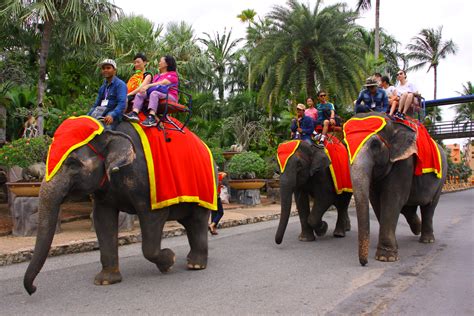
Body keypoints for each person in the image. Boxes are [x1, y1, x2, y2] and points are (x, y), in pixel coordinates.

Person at [123, 55, 179, 127]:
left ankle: (151, 116)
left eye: (160, 62)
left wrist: (148, 86)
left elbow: (163, 83)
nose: (159, 63)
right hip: (157, 94)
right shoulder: (157, 76)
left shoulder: (172, 74)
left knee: (154, 93)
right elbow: (153, 86)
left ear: (167, 64)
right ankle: (134, 113)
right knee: (141, 94)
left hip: (169, 95)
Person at [88, 59, 127, 130]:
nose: (105, 70)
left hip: (113, 115)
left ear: (114, 70)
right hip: (101, 113)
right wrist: (87, 116)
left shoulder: (120, 84)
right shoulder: (103, 87)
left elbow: (122, 103)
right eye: (103, 68)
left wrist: (112, 115)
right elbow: (96, 104)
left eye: (108, 68)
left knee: (106, 131)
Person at [209, 171, 227, 235]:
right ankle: (212, 225)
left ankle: (213, 229)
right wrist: (219, 172)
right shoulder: (218, 176)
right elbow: (224, 173)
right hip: (216, 197)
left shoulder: (211, 177)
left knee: (214, 212)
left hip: (212, 197)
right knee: (221, 212)